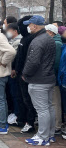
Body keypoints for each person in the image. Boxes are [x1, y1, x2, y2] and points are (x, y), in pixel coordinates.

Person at [23, 16, 56, 145]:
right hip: (48, 78)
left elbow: (33, 62)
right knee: (48, 107)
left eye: (29, 25)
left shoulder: (38, 41)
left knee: (42, 109)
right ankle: (50, 134)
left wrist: (25, 73)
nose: (29, 27)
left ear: (35, 26)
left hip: (38, 80)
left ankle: (42, 137)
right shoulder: (49, 38)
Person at [15, 16, 37, 134]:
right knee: (21, 98)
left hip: (27, 74)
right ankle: (22, 119)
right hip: (20, 73)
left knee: (28, 100)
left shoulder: (32, 39)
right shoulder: (24, 39)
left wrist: (24, 72)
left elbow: (30, 59)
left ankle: (30, 122)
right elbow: (19, 56)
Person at [45, 24, 63, 134]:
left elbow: (55, 63)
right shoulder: (55, 42)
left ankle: (57, 125)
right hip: (52, 77)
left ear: (51, 32)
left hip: (54, 78)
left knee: (55, 102)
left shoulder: (56, 44)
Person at [6, 23, 23, 126]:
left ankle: (17, 114)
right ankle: (14, 113)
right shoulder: (11, 41)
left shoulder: (18, 41)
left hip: (14, 72)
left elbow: (13, 56)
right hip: (9, 70)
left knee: (16, 94)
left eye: (9, 30)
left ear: (15, 31)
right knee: (12, 94)